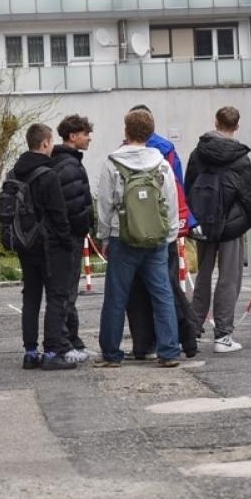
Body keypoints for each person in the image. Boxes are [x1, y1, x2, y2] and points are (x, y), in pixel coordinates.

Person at [96, 108, 182, 367]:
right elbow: (171, 201)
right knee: (162, 294)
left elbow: (104, 203)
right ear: (150, 133)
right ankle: (168, 351)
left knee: (116, 296)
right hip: (156, 238)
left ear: (126, 131)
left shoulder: (113, 162)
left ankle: (111, 353)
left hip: (123, 236)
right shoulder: (162, 163)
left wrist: (104, 236)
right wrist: (171, 235)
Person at [185, 106, 251, 354]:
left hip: (205, 223)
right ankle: (223, 335)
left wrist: (196, 220)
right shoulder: (240, 157)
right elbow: (250, 196)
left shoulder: (199, 153)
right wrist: (242, 222)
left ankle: (193, 331)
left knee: (202, 276)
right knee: (229, 278)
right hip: (231, 225)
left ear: (215, 122)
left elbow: (188, 187)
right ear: (236, 126)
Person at [6, 124, 79, 370]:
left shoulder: (14, 174)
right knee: (57, 297)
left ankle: (30, 352)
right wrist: (68, 244)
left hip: (26, 245)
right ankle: (51, 351)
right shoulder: (48, 175)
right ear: (46, 143)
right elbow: (59, 216)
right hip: (51, 246)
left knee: (31, 298)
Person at [51, 114, 95, 359]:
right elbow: (74, 203)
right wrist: (83, 227)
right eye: (85, 134)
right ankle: (67, 341)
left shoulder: (65, 161)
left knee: (68, 290)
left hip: (66, 236)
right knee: (67, 291)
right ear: (73, 136)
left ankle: (73, 340)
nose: (88, 138)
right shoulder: (69, 165)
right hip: (69, 238)